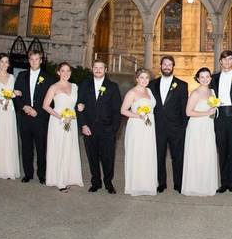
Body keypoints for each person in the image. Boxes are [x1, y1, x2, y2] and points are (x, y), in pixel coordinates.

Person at [77, 59, 122, 193]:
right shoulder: (85, 84)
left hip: (107, 130)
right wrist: (83, 125)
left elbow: (116, 110)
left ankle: (108, 183)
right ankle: (95, 182)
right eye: (95, 67)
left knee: (108, 158)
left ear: (105, 70)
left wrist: (113, 129)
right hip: (89, 129)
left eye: (101, 68)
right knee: (92, 157)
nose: (98, 70)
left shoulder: (113, 87)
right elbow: (79, 106)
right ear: (92, 69)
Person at [13, 48, 54, 184]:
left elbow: (51, 101)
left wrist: (38, 111)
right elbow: (16, 96)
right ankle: (28, 174)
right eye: (31, 59)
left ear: (41, 61)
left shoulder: (48, 79)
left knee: (41, 148)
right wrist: (24, 107)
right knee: (26, 147)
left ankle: (42, 175)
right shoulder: (21, 76)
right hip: (24, 118)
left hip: (40, 118)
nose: (34, 62)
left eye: (37, 59)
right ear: (28, 60)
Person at [150, 55, 188, 193]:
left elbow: (184, 108)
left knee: (177, 157)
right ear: (160, 66)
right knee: (159, 156)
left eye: (169, 65)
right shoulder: (151, 84)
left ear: (173, 67)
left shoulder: (182, 85)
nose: (167, 67)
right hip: (158, 127)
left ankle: (178, 183)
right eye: (164, 64)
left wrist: (184, 128)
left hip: (176, 128)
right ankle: (161, 183)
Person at [42, 62, 83, 191]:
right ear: (58, 72)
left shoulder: (75, 87)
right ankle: (59, 180)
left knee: (69, 148)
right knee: (59, 148)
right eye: (63, 71)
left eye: (68, 71)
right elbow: (45, 106)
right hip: (58, 122)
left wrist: (81, 107)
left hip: (72, 121)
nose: (66, 73)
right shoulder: (53, 87)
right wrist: (60, 117)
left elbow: (77, 104)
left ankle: (68, 177)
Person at [209, 50, 232, 196]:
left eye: (230, 59)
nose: (227, 62)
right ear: (220, 61)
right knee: (222, 150)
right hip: (219, 117)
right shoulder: (214, 78)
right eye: (225, 59)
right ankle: (224, 183)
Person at [181, 67, 220, 196]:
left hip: (208, 127)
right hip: (196, 127)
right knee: (196, 155)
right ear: (198, 79)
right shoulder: (195, 93)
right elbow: (188, 112)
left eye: (207, 76)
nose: (205, 79)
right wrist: (207, 112)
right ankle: (194, 186)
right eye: (202, 77)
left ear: (210, 78)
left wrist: (214, 112)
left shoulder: (212, 92)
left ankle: (206, 185)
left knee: (206, 155)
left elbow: (213, 109)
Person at [121, 68, 158, 196]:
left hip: (149, 127)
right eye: (141, 77)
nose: (144, 80)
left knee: (147, 154)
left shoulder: (149, 91)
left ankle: (147, 184)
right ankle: (135, 185)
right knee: (137, 153)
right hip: (137, 126)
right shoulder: (132, 92)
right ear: (136, 79)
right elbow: (123, 110)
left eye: (147, 78)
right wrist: (138, 116)